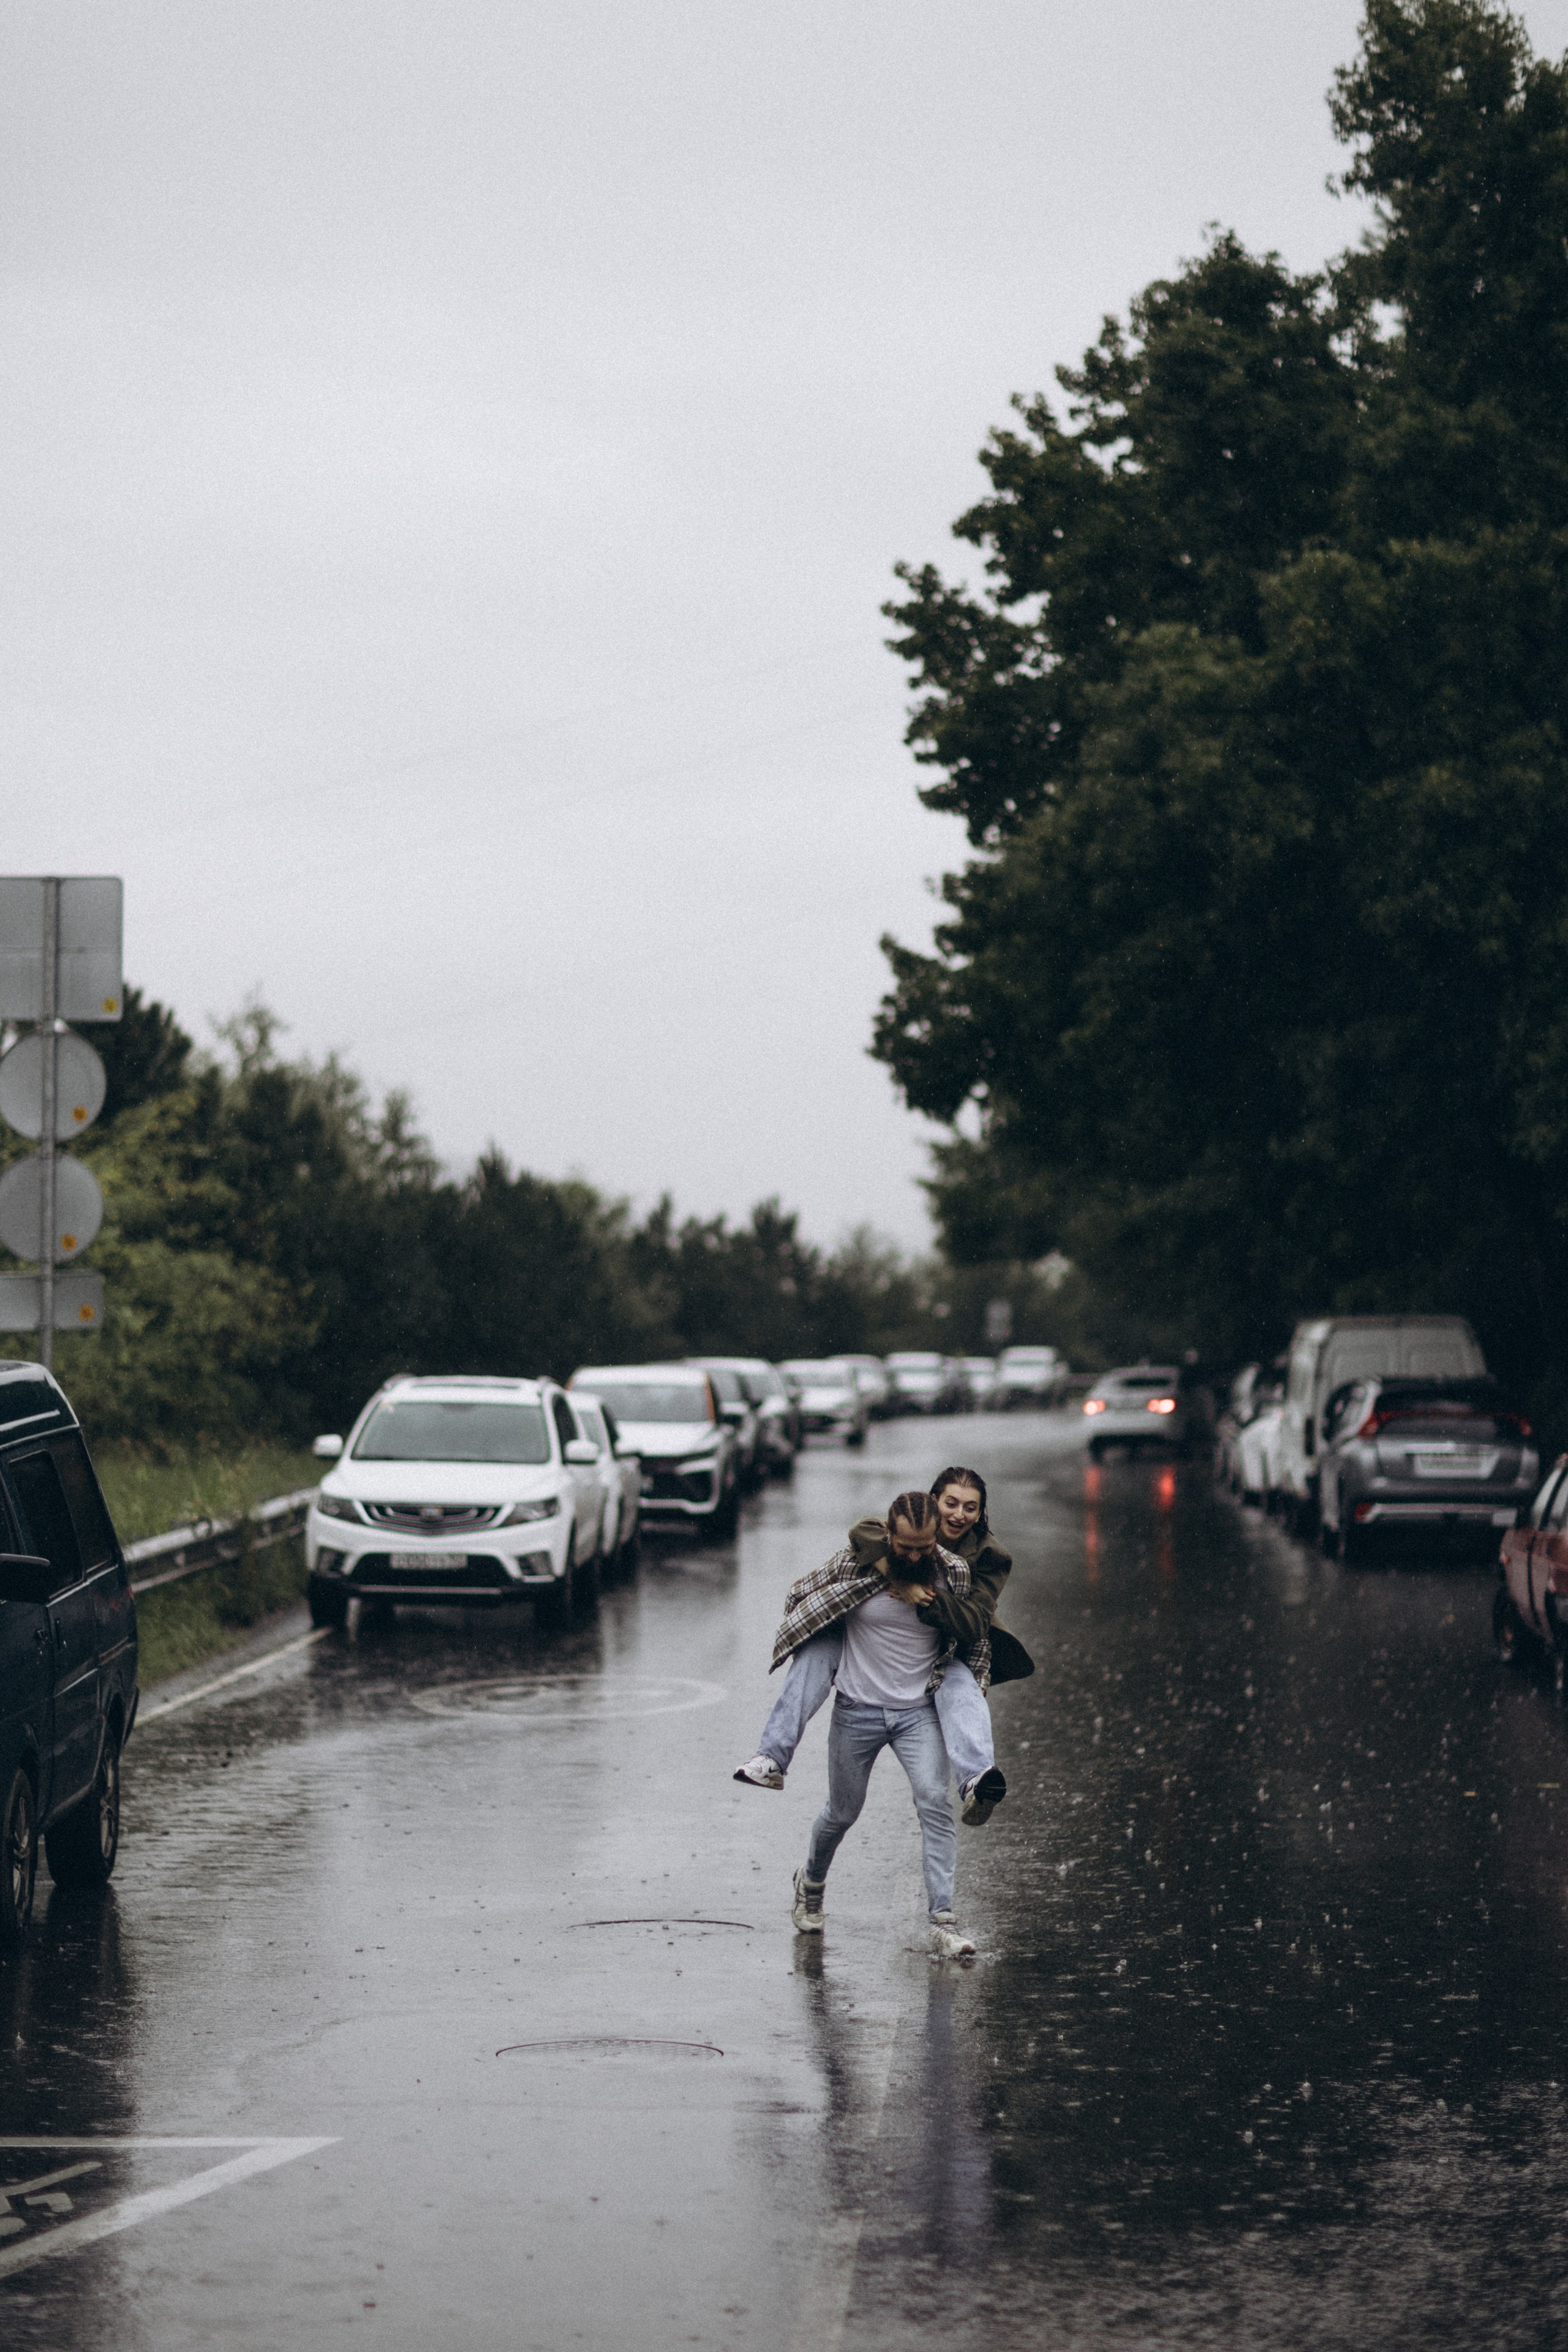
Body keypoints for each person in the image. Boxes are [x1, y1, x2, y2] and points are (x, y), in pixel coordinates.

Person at [734, 1466, 1027, 1825]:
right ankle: (771, 1758)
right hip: (867, 1641)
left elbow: (975, 1623)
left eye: (971, 1508)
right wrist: (897, 1575)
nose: (959, 1515)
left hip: (942, 1645)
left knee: (961, 1686)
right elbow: (863, 1529)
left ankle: (977, 1781)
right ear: (933, 1503)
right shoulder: (907, 1523)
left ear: (980, 1514)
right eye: (951, 1504)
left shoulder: (988, 1557)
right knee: (814, 1654)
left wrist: (924, 1596)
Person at [761, 1490, 976, 1956]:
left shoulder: (953, 1572)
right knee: (842, 1811)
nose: (915, 1556)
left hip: (917, 1712)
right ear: (888, 1535)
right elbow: (799, 1594)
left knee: (934, 1800)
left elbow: (967, 1631)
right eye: (906, 1547)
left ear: (936, 1538)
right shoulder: (856, 1565)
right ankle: (811, 1881)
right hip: (857, 1709)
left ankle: (943, 1918)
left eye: (924, 1547)